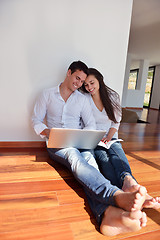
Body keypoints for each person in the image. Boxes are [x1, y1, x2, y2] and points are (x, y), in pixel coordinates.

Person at [32, 61, 147, 237]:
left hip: (80, 141)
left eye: (82, 81)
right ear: (69, 73)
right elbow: (36, 120)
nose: (79, 84)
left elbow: (90, 124)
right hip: (57, 144)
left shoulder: (82, 99)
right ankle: (115, 194)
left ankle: (107, 215)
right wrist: (48, 131)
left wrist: (84, 137)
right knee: (74, 159)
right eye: (77, 78)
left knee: (91, 164)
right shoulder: (47, 94)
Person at [81, 67, 160, 227]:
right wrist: (97, 138)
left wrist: (109, 137)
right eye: (86, 85)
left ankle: (129, 181)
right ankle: (132, 190)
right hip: (94, 139)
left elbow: (115, 122)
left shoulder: (112, 96)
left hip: (111, 137)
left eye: (92, 83)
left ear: (99, 80)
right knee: (104, 160)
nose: (89, 87)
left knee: (116, 154)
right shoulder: (84, 99)